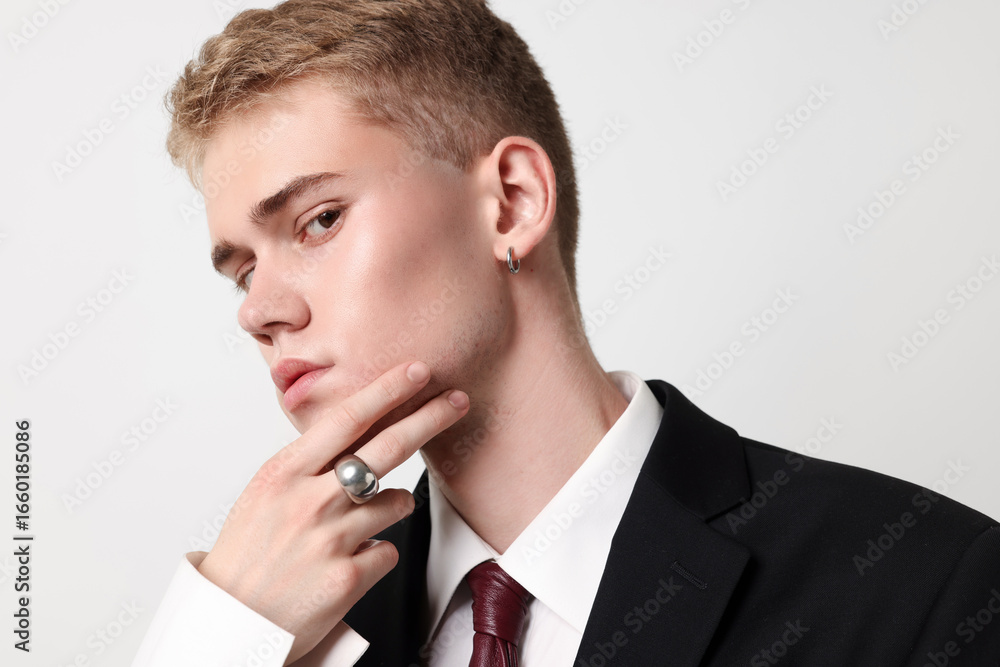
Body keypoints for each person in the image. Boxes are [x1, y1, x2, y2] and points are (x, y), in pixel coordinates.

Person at [133, 1, 1000, 665]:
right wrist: (217, 637)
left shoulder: (924, 584)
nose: (258, 309)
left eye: (318, 220)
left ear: (512, 202)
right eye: (241, 270)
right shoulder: (279, 631)